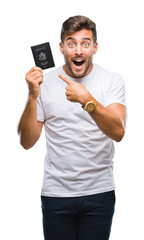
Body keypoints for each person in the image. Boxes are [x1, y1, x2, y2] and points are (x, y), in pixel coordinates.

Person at [18, 15, 126, 240]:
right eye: (71, 43)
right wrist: (31, 96)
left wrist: (88, 101)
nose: (78, 50)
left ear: (94, 47)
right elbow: (27, 142)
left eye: (85, 43)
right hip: (56, 193)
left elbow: (118, 132)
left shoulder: (111, 80)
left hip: (99, 192)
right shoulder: (43, 83)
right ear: (61, 47)